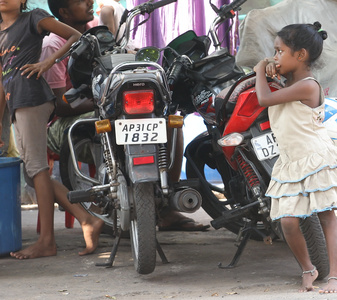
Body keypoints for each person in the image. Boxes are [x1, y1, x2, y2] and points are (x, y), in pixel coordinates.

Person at [44, 0, 209, 232]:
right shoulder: (53, 45)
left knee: (168, 121)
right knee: (111, 122)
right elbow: (60, 104)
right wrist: (105, 101)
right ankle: (105, 206)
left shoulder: (100, 34)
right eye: (80, 1)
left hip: (106, 109)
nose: (89, 2)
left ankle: (167, 202)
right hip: (64, 124)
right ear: (64, 12)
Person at [253, 22, 337, 293]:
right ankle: (308, 268)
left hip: (315, 157)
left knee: (328, 217)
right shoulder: (287, 83)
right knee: (288, 222)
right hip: (291, 161)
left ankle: (335, 276)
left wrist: (259, 69)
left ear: (300, 55)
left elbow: (264, 99)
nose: (275, 58)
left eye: (279, 51)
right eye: (274, 53)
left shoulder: (308, 86)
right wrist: (270, 64)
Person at [0, 0, 104, 259]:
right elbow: (2, 79)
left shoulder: (33, 17)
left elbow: (75, 36)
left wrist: (47, 64)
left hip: (33, 99)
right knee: (33, 171)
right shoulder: (1, 31)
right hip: (17, 102)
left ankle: (47, 241)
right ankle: (86, 218)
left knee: (36, 168)